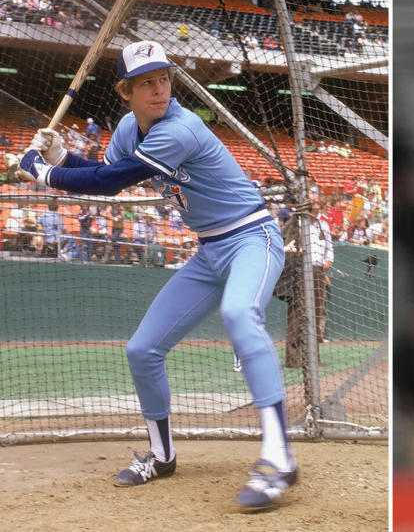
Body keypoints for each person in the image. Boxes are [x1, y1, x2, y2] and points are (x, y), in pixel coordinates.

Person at [18, 40, 297, 509]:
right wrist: (63, 158)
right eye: (147, 82)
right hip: (210, 251)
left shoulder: (181, 128)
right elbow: (108, 170)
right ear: (124, 91)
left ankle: (279, 458)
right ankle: (162, 455)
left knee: (239, 315)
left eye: (164, 78)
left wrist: (43, 173)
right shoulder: (130, 128)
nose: (159, 88)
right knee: (142, 349)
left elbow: (110, 183)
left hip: (253, 236)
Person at [281, 198, 335, 368]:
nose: (316, 207)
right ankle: (293, 359)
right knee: (297, 314)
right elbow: (283, 242)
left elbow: (329, 248)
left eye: (318, 204)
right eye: (313, 204)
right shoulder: (295, 224)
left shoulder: (323, 226)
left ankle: (313, 358)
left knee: (316, 314)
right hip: (298, 271)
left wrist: (329, 260)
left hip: (318, 271)